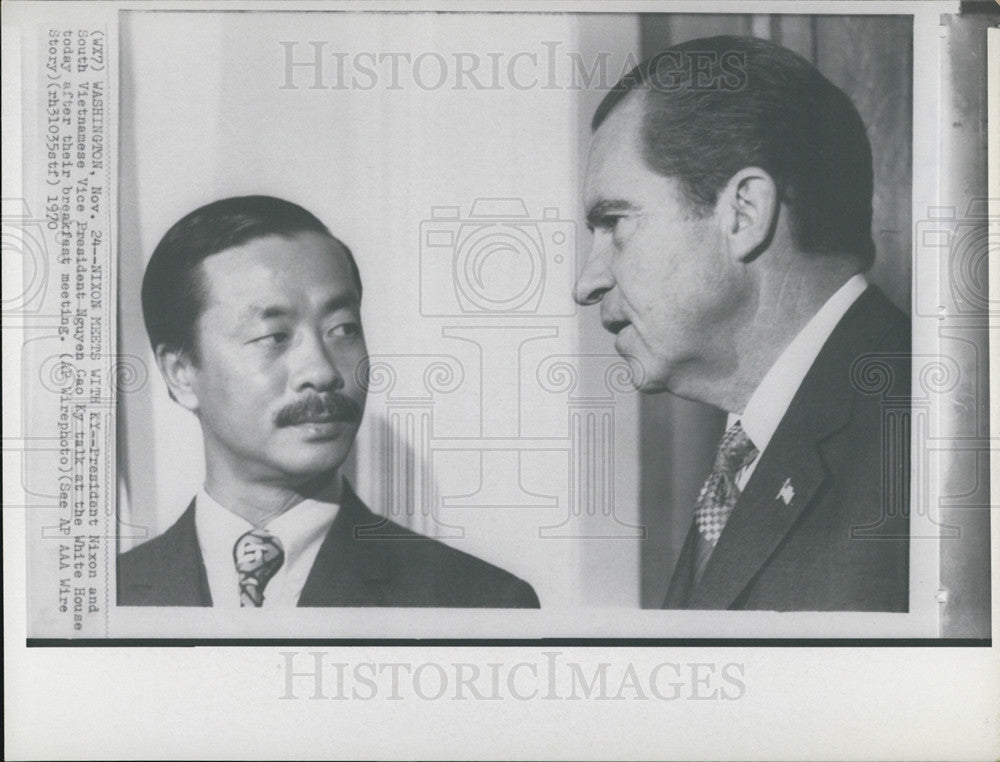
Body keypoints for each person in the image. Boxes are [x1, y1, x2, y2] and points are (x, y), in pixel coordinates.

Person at [574, 36, 910, 611]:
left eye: (615, 223)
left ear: (744, 214)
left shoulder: (929, 444)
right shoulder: (755, 448)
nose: (586, 283)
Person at [118, 195, 539, 608]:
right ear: (180, 373)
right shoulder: (106, 601)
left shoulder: (476, 603)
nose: (322, 371)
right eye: (274, 337)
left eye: (343, 329)